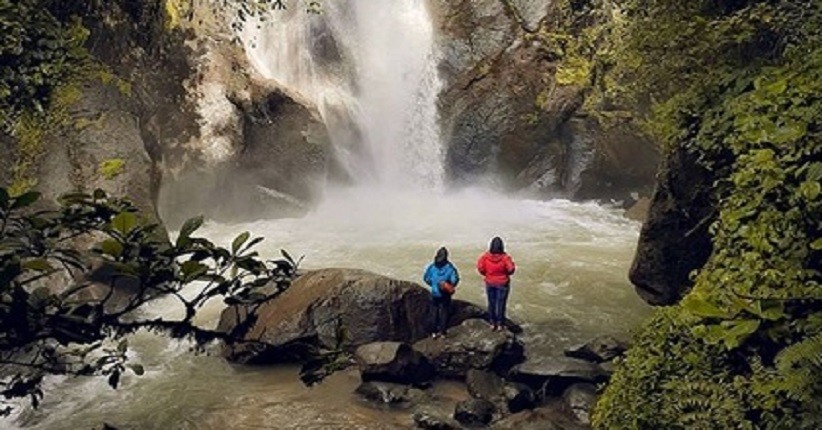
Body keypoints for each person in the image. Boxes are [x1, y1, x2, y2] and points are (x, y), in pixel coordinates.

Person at [476, 236, 515, 331]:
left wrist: (486, 274)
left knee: (491, 303)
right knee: (501, 304)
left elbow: (480, 268)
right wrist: (505, 274)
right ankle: (500, 324)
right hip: (502, 283)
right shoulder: (505, 258)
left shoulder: (485, 257)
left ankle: (492, 323)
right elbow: (511, 269)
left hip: (490, 282)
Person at [423, 247, 459, 339]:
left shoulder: (432, 267)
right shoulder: (450, 268)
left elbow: (426, 278)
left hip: (435, 293)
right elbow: (455, 280)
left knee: (434, 312)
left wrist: (433, 285)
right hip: (445, 294)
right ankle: (442, 332)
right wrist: (449, 285)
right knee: (444, 312)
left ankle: (433, 332)